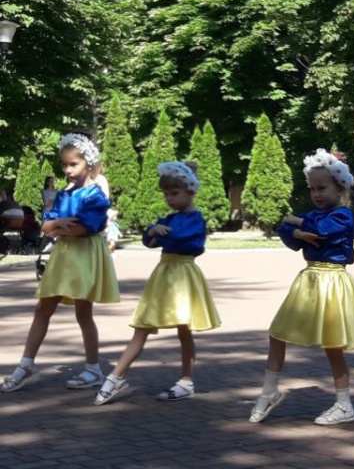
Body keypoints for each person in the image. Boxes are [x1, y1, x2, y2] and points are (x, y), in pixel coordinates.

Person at [248, 149, 354, 425]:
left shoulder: (343, 215)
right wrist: (295, 230)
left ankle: (344, 404)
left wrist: (298, 223)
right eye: (312, 189)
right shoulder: (315, 215)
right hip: (308, 280)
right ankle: (269, 390)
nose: (316, 194)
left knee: (332, 344)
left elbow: (322, 229)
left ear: (340, 188)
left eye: (322, 188)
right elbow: (289, 231)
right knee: (277, 332)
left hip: (332, 281)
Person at [1, 133, 119, 393]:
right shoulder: (64, 194)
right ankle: (26, 364)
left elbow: (84, 228)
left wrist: (58, 226)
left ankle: (93, 368)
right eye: (64, 165)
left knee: (83, 313)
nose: (67, 170)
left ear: (88, 163)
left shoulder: (95, 196)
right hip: (63, 256)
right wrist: (55, 225)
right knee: (43, 308)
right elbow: (46, 226)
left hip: (84, 257)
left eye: (73, 164)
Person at [94, 162, 220, 405]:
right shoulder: (169, 218)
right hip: (163, 275)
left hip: (183, 276)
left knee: (185, 329)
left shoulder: (196, 219)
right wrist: (153, 231)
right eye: (166, 195)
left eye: (174, 193)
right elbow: (149, 242)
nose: (169, 199)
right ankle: (116, 376)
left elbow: (190, 243)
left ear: (191, 191)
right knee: (142, 326)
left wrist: (160, 231)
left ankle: (186, 380)